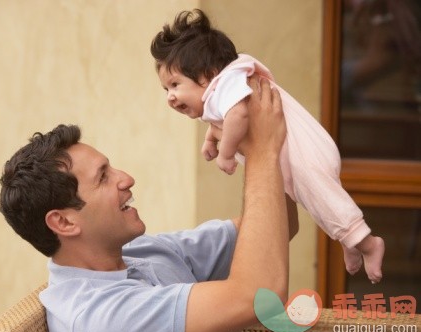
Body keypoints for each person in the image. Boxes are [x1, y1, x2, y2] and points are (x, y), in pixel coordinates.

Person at [0, 77, 295, 332]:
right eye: (103, 177)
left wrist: (245, 141)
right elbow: (259, 296)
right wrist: (262, 152)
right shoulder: (102, 319)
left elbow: (278, 228)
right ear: (63, 223)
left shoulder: (137, 253)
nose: (127, 179)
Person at [150, 9, 385, 284]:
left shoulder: (227, 83)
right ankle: (349, 243)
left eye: (175, 85)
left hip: (304, 154)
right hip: (287, 160)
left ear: (209, 74)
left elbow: (238, 115)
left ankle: (368, 243)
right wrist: (210, 140)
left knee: (320, 197)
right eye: (166, 90)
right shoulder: (220, 91)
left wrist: (225, 153)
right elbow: (225, 121)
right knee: (309, 205)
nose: (170, 97)